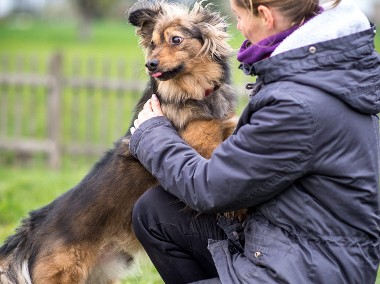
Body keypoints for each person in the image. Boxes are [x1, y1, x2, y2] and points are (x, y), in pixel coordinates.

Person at [129, 0, 380, 283]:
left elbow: (211, 188)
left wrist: (151, 132)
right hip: (295, 243)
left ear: (264, 16)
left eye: (238, 16)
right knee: (155, 210)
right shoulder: (318, 73)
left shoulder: (297, 102)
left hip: (306, 270)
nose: (237, 27)